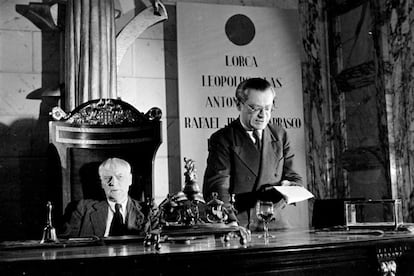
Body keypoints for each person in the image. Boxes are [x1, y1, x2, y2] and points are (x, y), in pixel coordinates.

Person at [203, 78, 302, 230]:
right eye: (255, 108)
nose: (263, 115)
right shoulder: (223, 138)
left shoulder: (280, 134)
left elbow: (294, 178)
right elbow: (218, 187)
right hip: (240, 225)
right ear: (238, 104)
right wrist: (231, 224)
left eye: (268, 108)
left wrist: (288, 186)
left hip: (275, 224)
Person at [60, 157, 158, 238]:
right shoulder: (82, 209)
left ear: (130, 180)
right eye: (107, 178)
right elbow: (65, 244)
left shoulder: (147, 211)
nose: (113, 183)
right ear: (102, 183)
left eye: (120, 177)